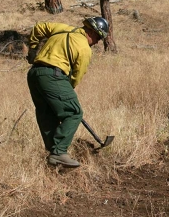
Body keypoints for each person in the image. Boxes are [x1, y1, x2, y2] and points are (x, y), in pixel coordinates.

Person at [26, 17, 109, 168]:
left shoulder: (62, 27)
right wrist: (66, 89)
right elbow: (77, 76)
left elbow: (38, 27)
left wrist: (32, 49)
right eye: (98, 37)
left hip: (34, 74)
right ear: (90, 31)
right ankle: (59, 153)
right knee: (73, 112)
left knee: (47, 114)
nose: (97, 42)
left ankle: (52, 156)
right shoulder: (84, 49)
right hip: (54, 77)